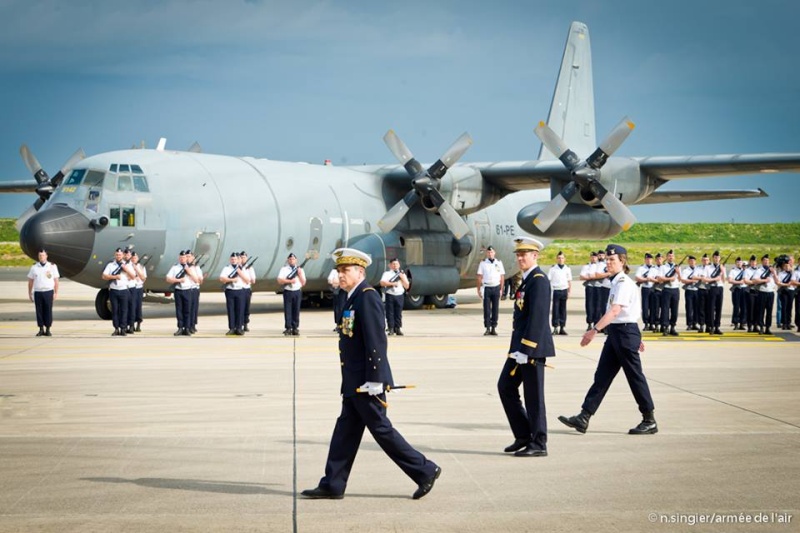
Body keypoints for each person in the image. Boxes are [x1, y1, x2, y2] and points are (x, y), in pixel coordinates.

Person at [301, 248, 441, 500]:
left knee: (382, 431)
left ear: (360, 272)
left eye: (345, 270)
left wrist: (375, 379)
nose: (340, 275)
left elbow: (376, 340)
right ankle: (333, 483)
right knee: (345, 432)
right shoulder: (352, 297)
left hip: (367, 383)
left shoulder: (367, 297)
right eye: (339, 270)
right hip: (354, 381)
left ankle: (425, 470)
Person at [558, 244, 658, 435]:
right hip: (617, 334)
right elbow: (629, 312)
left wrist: (593, 330)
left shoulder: (623, 283)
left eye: (612, 260)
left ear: (622, 261)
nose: (608, 263)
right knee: (602, 376)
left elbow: (615, 311)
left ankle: (649, 419)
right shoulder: (615, 283)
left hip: (625, 334)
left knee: (635, 377)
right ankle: (584, 416)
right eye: (607, 259)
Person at [498, 236, 555, 457]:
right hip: (519, 348)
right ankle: (523, 434)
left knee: (534, 396)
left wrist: (527, 349)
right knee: (505, 387)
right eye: (519, 254)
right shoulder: (527, 279)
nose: (521, 258)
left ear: (535, 255)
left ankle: (539, 442)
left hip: (532, 349)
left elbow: (538, 318)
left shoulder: (539, 280)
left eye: (525, 254)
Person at [102, 247, 136, 336]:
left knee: (124, 310)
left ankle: (123, 328)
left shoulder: (127, 265)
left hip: (124, 290)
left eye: (120, 255)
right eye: (117, 255)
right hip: (114, 290)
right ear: (115, 255)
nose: (118, 256)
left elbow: (133, 276)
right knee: (115, 310)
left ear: (123, 255)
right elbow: (104, 276)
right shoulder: (110, 265)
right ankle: (116, 328)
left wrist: (126, 269)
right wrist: (114, 277)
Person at [165, 250, 199, 336]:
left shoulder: (191, 268)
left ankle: (187, 328)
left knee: (187, 310)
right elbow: (168, 278)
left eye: (184, 257)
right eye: (180, 258)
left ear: (186, 258)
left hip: (188, 290)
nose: (182, 259)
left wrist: (189, 272)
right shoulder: (175, 267)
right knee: (179, 310)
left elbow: (196, 280)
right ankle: (180, 327)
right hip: (178, 290)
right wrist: (178, 280)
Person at [27, 249, 59, 337]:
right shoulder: (34, 267)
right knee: (39, 311)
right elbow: (30, 281)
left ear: (46, 256)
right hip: (38, 291)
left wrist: (56, 292)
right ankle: (41, 329)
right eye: (40, 255)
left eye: (43, 255)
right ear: (38, 257)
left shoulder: (52, 266)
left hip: (48, 291)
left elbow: (56, 280)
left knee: (48, 310)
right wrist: (30, 293)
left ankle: (48, 329)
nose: (41, 257)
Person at [476, 246, 505, 336]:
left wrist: (501, 288)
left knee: (495, 308)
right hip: (487, 288)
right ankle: (487, 327)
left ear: (494, 253)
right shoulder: (483, 263)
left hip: (496, 287)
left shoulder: (499, 263)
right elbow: (479, 277)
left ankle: (493, 327)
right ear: (487, 254)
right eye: (488, 252)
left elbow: (502, 277)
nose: (490, 254)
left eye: (491, 252)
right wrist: (478, 289)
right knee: (487, 309)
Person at [277, 253, 306, 335]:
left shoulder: (300, 270)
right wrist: (290, 281)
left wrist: (299, 274)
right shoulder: (284, 269)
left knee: (296, 310)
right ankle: (288, 327)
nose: (291, 260)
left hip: (297, 291)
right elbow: (279, 280)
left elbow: (303, 283)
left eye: (293, 259)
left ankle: (295, 327)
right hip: (288, 291)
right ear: (288, 260)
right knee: (288, 310)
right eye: (290, 259)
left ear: (296, 260)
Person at [220, 252, 247, 335]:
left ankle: (239, 328)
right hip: (230, 291)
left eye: (235, 259)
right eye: (232, 259)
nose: (233, 261)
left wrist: (239, 271)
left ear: (238, 260)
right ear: (230, 260)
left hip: (240, 291)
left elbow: (247, 280)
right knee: (231, 310)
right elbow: (222, 278)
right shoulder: (227, 268)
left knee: (240, 310)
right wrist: (231, 280)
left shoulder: (243, 269)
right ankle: (232, 328)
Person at [380, 258, 409, 336]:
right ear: (390, 265)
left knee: (398, 313)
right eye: (393, 264)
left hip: (399, 295)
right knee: (390, 313)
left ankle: (398, 328)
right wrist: (392, 284)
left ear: (399, 265)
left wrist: (402, 278)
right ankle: (391, 329)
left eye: (396, 264)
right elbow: (382, 283)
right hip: (390, 295)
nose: (395, 265)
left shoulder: (402, 274)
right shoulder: (387, 273)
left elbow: (407, 286)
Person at [547, 250, 572, 335]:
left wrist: (569, 292)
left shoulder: (567, 269)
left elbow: (569, 281)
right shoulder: (553, 269)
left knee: (563, 310)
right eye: (559, 258)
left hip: (564, 289)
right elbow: (549, 280)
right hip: (556, 290)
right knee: (555, 309)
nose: (560, 259)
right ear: (556, 259)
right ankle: (555, 327)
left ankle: (562, 327)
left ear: (564, 259)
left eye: (562, 258)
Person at [658, 249, 680, 336]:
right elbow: (659, 279)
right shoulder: (663, 267)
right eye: (669, 256)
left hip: (675, 289)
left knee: (675, 309)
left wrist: (678, 273)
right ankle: (665, 327)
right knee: (665, 309)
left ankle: (673, 327)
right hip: (666, 289)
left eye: (672, 256)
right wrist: (669, 279)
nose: (671, 257)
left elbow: (680, 279)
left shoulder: (677, 267)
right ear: (667, 257)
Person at [703, 250, 725, 335]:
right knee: (711, 309)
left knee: (719, 308)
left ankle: (717, 327)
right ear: (713, 258)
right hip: (712, 289)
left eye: (718, 257)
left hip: (720, 288)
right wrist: (714, 279)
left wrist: (722, 272)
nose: (717, 259)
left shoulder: (722, 267)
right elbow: (704, 279)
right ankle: (711, 326)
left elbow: (723, 280)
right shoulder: (708, 267)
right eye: (715, 257)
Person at [634, 253, 655, 332]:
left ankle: (652, 323)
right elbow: (637, 277)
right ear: (645, 260)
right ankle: (646, 323)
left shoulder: (655, 268)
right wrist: (645, 280)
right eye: (647, 259)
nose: (648, 261)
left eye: (650, 259)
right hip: (645, 288)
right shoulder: (641, 268)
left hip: (653, 288)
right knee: (645, 307)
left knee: (653, 307)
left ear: (652, 260)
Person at [679, 255, 701, 331]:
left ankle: (695, 323)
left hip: (697, 290)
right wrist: (692, 281)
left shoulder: (699, 270)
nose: (692, 262)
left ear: (695, 262)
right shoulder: (686, 270)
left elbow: (701, 278)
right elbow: (683, 280)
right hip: (689, 290)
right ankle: (689, 324)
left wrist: (695, 279)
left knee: (696, 308)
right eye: (690, 261)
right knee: (689, 308)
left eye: (693, 261)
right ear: (688, 262)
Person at [580, 252, 599, 331]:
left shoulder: (600, 266)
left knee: (598, 305)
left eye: (595, 257)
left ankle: (596, 323)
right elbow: (582, 276)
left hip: (599, 287)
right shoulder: (586, 266)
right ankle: (589, 323)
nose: (594, 258)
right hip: (590, 286)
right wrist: (591, 277)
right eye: (592, 257)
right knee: (589, 305)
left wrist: (592, 276)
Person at [728, 257, 748, 330]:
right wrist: (739, 282)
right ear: (735, 263)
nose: (739, 263)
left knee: (744, 307)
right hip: (736, 289)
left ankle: (742, 323)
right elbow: (730, 280)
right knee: (736, 307)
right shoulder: (733, 271)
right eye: (737, 262)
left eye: (740, 262)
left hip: (744, 289)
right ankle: (735, 323)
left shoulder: (746, 271)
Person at [130, 251, 147, 332]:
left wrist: (136, 268)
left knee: (138, 307)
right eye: (132, 258)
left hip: (139, 288)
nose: (134, 259)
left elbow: (143, 278)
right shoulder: (128, 267)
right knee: (131, 307)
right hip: (131, 288)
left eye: (135, 258)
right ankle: (131, 324)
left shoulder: (141, 267)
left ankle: (138, 324)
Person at [239, 251, 255, 332]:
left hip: (247, 289)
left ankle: (245, 324)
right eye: (241, 257)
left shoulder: (249, 268)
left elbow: (253, 280)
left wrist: (248, 276)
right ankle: (239, 324)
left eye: (244, 257)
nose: (243, 259)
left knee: (246, 308)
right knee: (239, 308)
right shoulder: (237, 268)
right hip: (239, 289)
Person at [328, 266, 346, 333]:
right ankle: (338, 324)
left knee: (344, 308)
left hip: (344, 291)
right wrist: (336, 283)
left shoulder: (346, 270)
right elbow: (330, 280)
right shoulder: (334, 271)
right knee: (337, 308)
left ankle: (345, 325)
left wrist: (338, 282)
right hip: (337, 291)